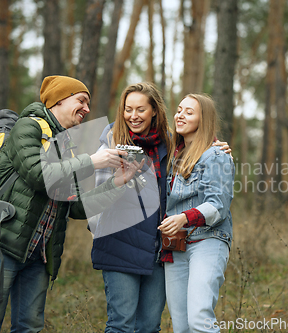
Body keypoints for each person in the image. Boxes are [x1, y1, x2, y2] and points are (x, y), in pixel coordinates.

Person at [0, 75, 138, 333]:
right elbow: (39, 175)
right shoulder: (27, 128)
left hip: (39, 255)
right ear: (59, 100)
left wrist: (115, 183)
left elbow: (77, 208)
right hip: (4, 245)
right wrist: (93, 161)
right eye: (81, 100)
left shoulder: (66, 146)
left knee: (29, 328)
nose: (87, 109)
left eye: (88, 103)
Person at [88, 83, 231, 332]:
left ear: (154, 110)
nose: (133, 116)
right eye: (128, 109)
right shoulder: (113, 143)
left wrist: (216, 145)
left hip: (162, 249)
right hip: (122, 245)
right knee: (125, 324)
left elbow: (203, 158)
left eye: (140, 109)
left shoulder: (170, 144)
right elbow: (94, 202)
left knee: (153, 324)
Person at [158, 93, 234, 333]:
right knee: (181, 326)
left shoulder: (216, 155)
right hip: (176, 246)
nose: (180, 115)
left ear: (204, 119)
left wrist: (183, 218)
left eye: (189, 112)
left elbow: (217, 205)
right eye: (179, 109)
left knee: (199, 320)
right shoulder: (171, 155)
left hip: (207, 241)